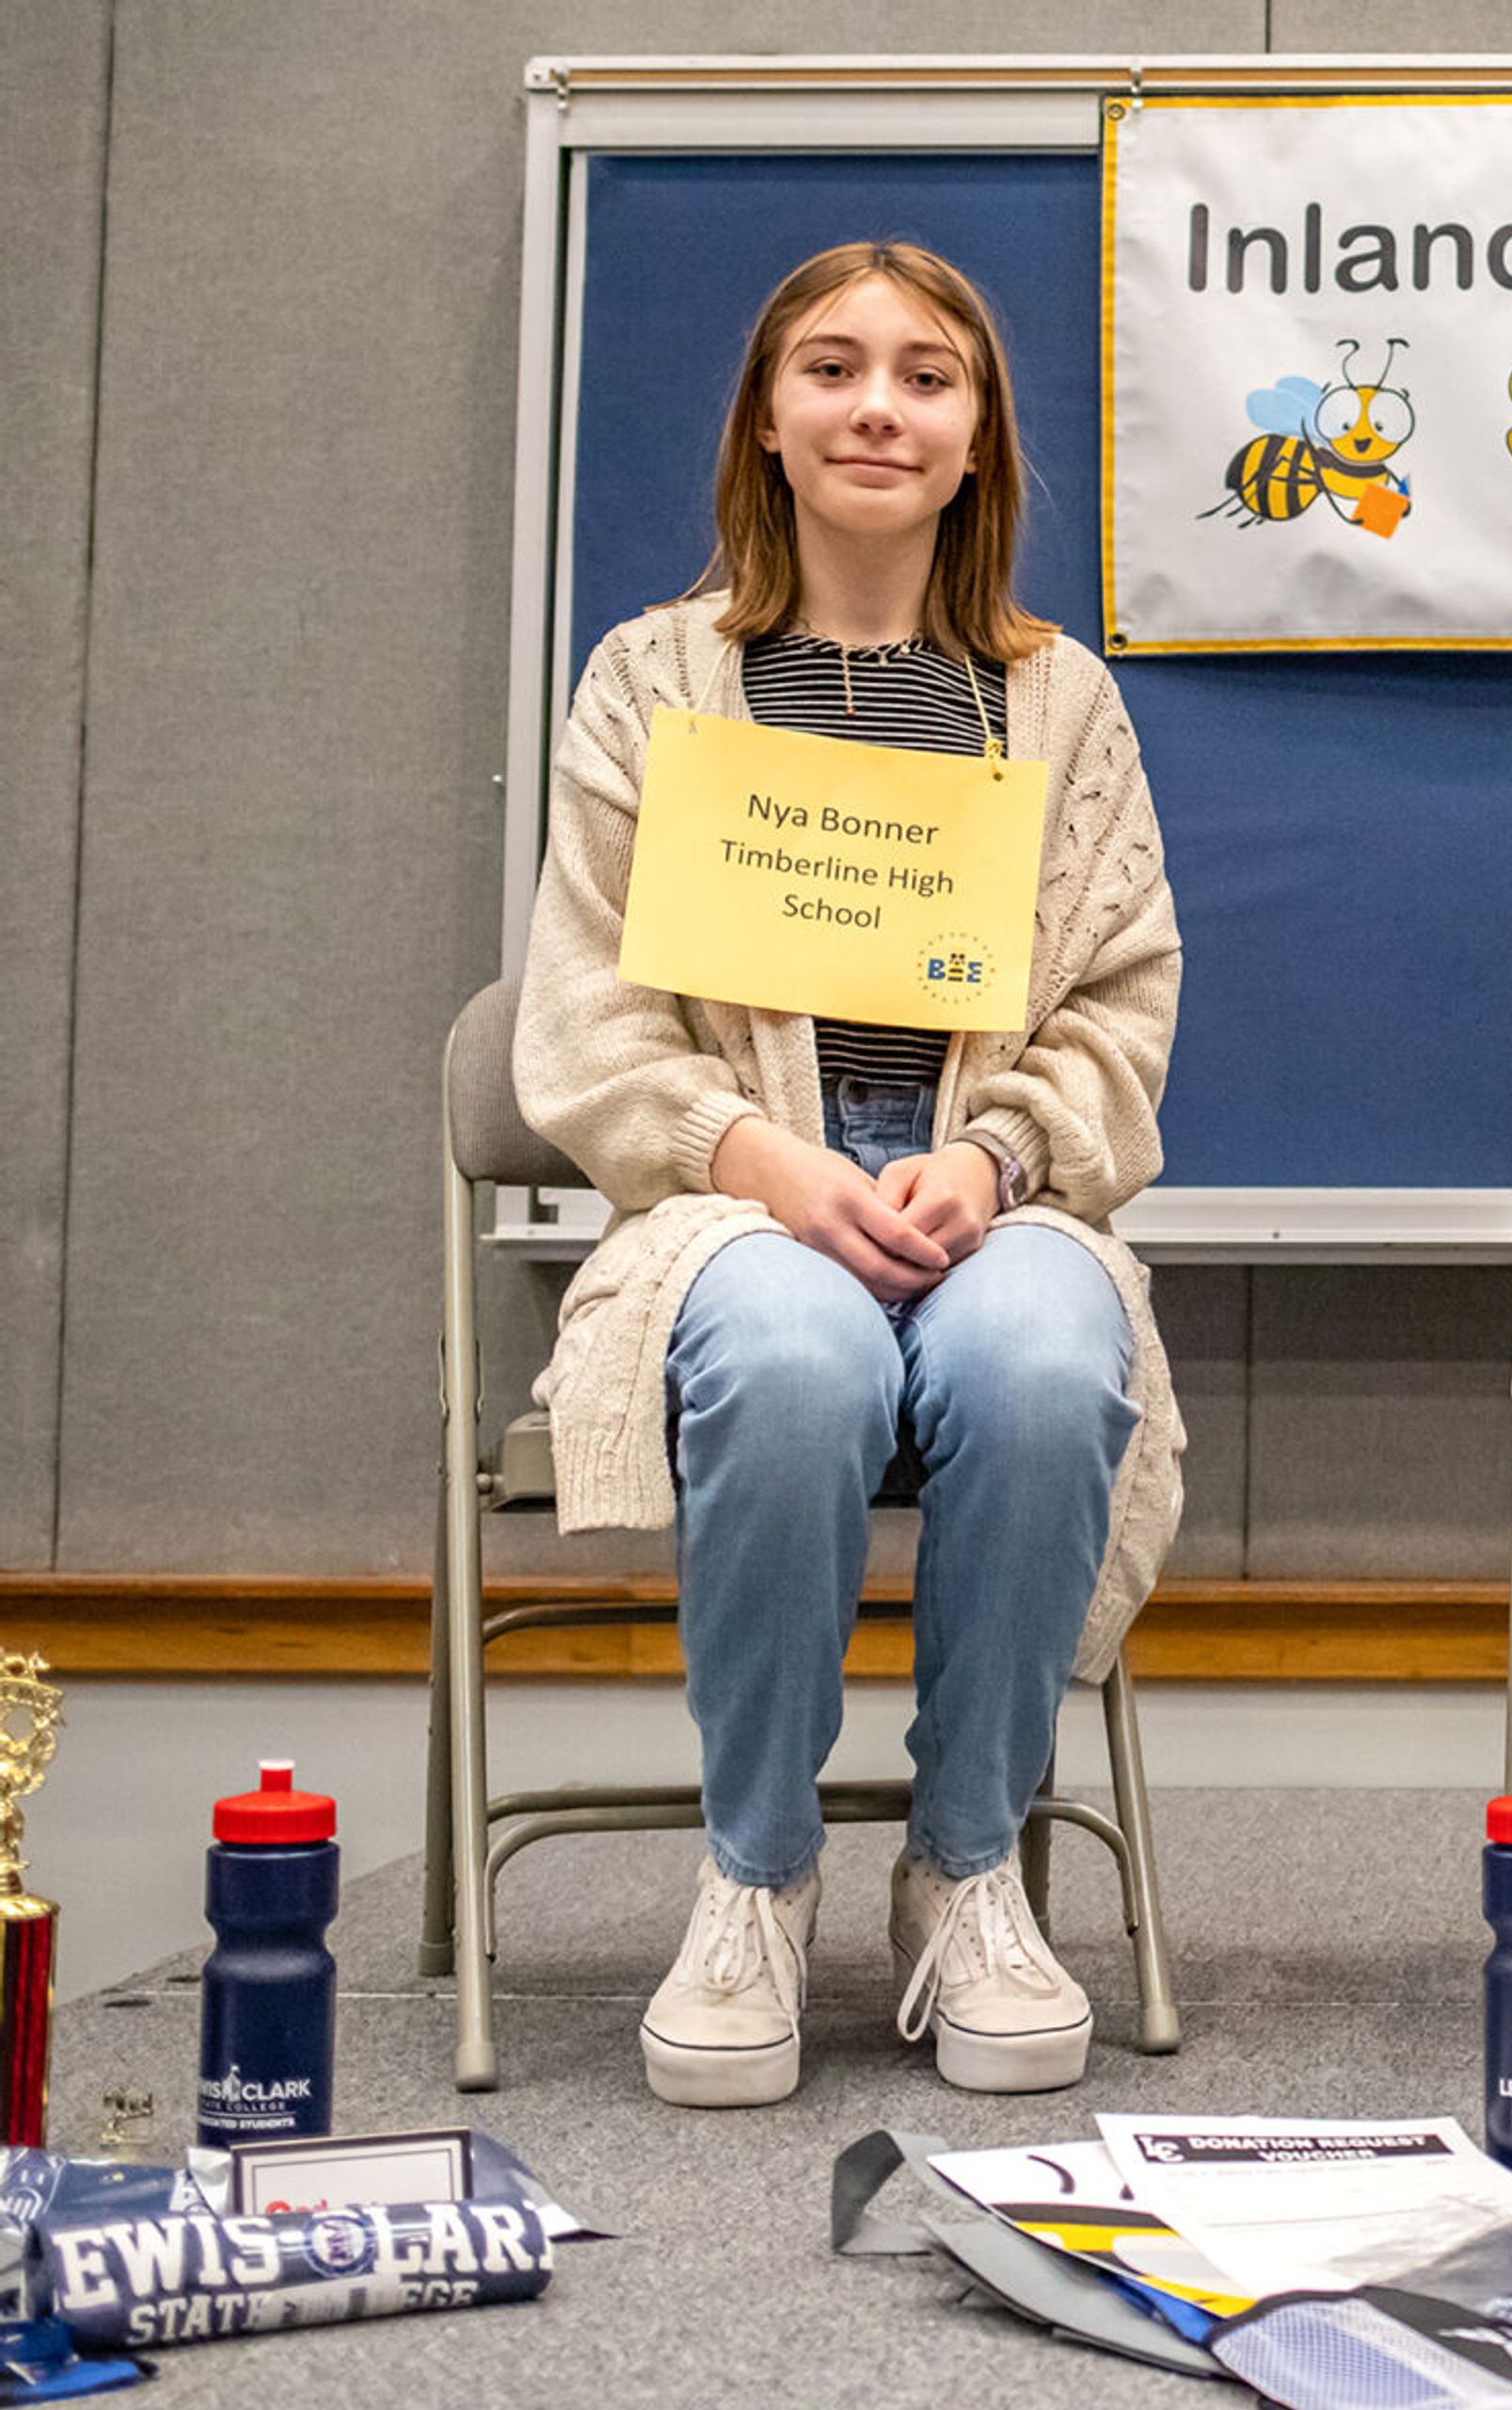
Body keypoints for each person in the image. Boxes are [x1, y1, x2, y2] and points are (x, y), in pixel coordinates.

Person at [515, 241, 1183, 2107]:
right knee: (801, 1370)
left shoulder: (1059, 701)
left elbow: (1125, 999)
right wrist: (774, 1168)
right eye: (831, 369)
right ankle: (759, 1874)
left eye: (926, 377)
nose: (878, 406)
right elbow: (582, 1016)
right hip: (736, 1192)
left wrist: (989, 1155)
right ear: (770, 420)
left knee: (1048, 1369)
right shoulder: (656, 680)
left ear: (979, 441)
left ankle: (967, 1865)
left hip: (998, 1191)